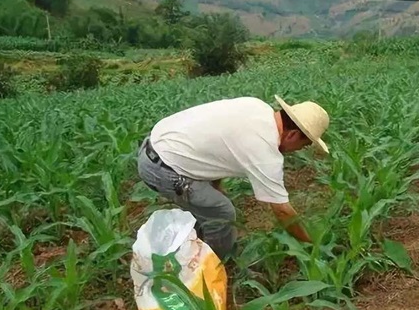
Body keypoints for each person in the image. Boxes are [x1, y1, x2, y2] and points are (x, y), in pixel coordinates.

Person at [136, 94, 330, 262]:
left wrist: (216, 188)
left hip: (155, 146)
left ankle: (195, 241)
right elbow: (282, 211)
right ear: (293, 135)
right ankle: (216, 264)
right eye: (303, 145)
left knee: (209, 206)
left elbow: (217, 149)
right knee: (222, 212)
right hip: (164, 168)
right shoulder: (265, 153)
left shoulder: (256, 106)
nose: (300, 151)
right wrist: (311, 246)